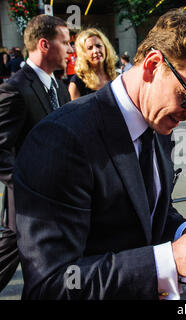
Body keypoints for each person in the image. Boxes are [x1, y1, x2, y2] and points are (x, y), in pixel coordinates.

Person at [13, 8, 186, 300]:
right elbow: (53, 284)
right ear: (153, 65)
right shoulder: (60, 141)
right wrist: (169, 261)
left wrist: (185, 232)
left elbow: (149, 213)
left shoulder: (158, 122)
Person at [0, 14, 72, 293]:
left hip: (60, 201)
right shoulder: (15, 89)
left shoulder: (61, 89)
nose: (70, 49)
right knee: (10, 254)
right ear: (44, 44)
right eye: (64, 42)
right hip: (28, 208)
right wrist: (26, 184)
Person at [68, 28, 118, 100]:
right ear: (83, 53)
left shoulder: (117, 76)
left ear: (106, 48)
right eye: (90, 48)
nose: (95, 51)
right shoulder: (77, 82)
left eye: (98, 46)